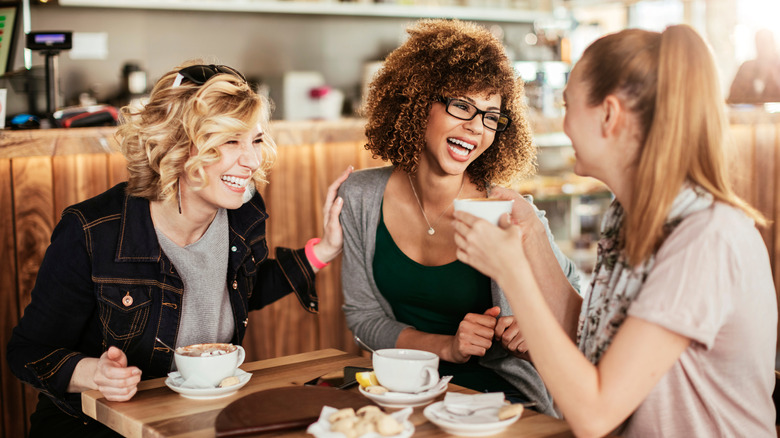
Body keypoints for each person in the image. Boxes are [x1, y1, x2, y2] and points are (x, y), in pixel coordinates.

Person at [454, 24, 777, 437]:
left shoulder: (705, 238)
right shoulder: (628, 216)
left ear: (608, 114)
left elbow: (595, 414)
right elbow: (590, 336)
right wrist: (530, 235)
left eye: (569, 105)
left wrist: (512, 272)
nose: (563, 124)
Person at [6, 61, 352, 437]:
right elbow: (28, 351)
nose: (252, 161)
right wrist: (96, 374)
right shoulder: (92, 231)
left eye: (255, 140)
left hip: (193, 418)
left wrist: (326, 249)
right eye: (230, 141)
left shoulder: (243, 212)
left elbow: (238, 288)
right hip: (91, 427)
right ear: (177, 146)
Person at [338, 19, 581, 416]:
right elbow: (363, 317)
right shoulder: (361, 197)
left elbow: (575, 310)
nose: (475, 127)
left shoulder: (510, 213)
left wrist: (536, 329)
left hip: (501, 402)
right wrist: (446, 346)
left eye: (490, 116)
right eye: (462, 105)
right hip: (402, 394)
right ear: (416, 101)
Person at [728, 28, 780, 103]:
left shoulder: (778, 68)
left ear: (773, 43)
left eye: (766, 42)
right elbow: (733, 98)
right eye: (760, 42)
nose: (763, 47)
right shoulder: (746, 68)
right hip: (748, 114)